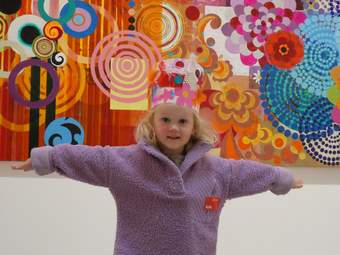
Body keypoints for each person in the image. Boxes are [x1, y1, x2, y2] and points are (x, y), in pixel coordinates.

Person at [12, 58, 303, 255]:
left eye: (182, 122)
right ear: (152, 122)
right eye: (165, 119)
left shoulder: (216, 171)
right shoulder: (123, 163)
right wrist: (46, 158)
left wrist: (283, 178)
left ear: (194, 126)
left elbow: (251, 173)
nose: (173, 128)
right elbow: (87, 157)